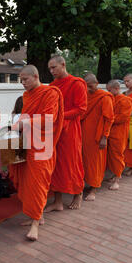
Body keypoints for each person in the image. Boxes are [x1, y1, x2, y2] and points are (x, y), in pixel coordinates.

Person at [9, 65, 64, 241]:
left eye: (25, 79)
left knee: (38, 183)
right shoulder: (26, 96)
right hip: (28, 143)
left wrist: (24, 123)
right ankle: (35, 216)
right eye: (21, 80)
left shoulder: (50, 93)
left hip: (43, 145)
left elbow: (49, 118)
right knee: (28, 183)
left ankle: (35, 223)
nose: (23, 83)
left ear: (35, 75)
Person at [45, 55, 87, 212]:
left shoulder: (76, 83)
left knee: (72, 162)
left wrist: (60, 115)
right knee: (55, 165)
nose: (51, 71)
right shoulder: (52, 86)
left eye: (54, 67)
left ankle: (78, 193)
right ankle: (57, 201)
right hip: (55, 130)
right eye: (50, 68)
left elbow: (81, 108)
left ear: (63, 65)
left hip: (71, 130)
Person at [80, 73, 114, 201]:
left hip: (97, 137)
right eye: (86, 86)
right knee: (85, 162)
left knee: (95, 163)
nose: (88, 89)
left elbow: (109, 119)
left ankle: (94, 188)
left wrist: (105, 137)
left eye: (90, 86)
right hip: (84, 135)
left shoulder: (104, 97)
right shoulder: (86, 96)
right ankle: (87, 184)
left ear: (97, 83)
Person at [106, 80, 132, 190]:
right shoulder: (111, 99)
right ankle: (114, 174)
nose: (108, 92)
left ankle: (117, 178)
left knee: (117, 155)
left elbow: (123, 117)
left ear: (116, 89)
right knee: (111, 155)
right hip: (110, 130)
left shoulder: (125, 100)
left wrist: (108, 119)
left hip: (119, 132)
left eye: (109, 90)